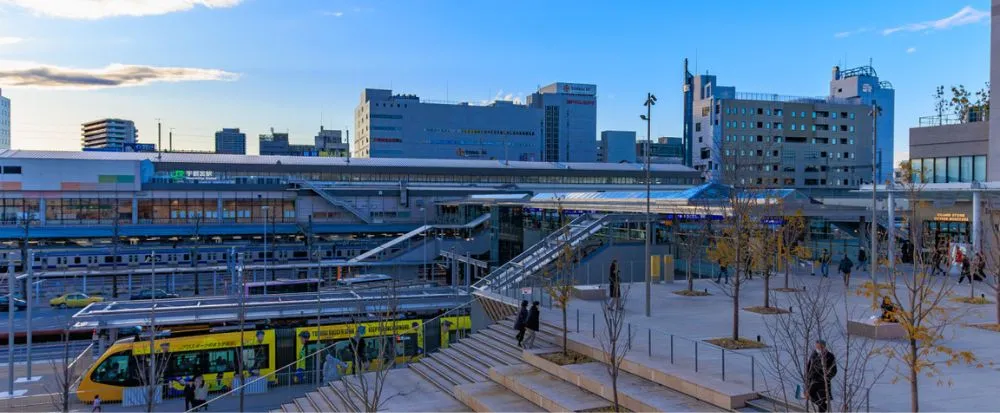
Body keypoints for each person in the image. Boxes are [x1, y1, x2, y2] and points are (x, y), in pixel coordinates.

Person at [805, 339, 837, 413]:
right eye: (817, 347)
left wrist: (825, 378)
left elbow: (833, 370)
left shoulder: (830, 356)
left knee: (823, 403)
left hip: (823, 383)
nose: (818, 349)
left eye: (820, 347)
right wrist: (807, 377)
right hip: (813, 382)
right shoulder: (814, 354)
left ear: (824, 346)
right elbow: (809, 367)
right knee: (810, 396)